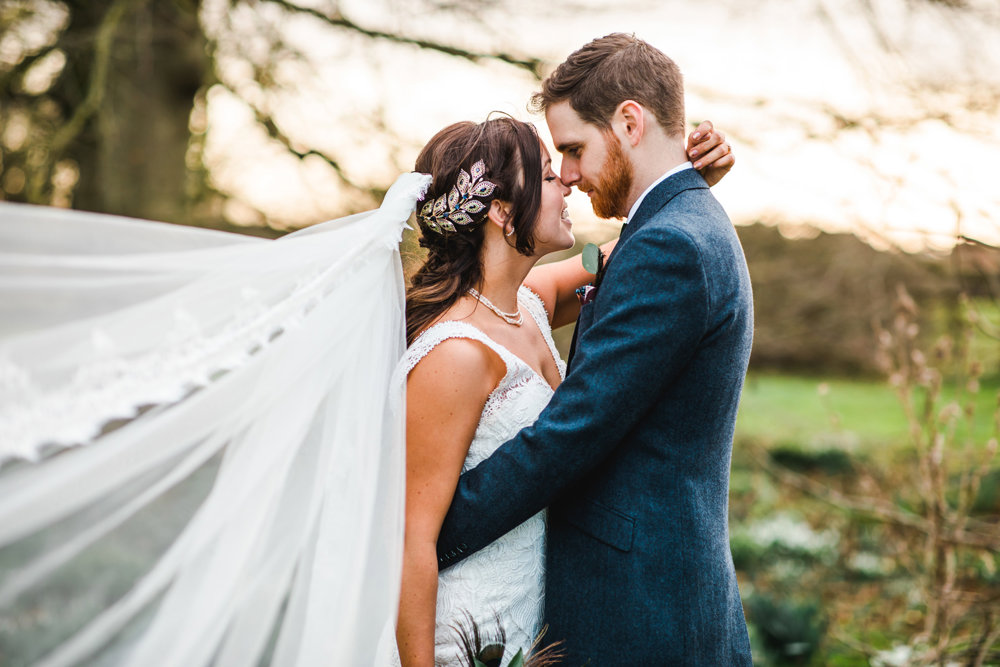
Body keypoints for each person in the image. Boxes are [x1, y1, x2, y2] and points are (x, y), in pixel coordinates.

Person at [432, 34, 754, 666]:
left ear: (630, 122)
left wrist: (422, 537)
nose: (570, 176)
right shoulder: (669, 232)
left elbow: (567, 436)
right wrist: (690, 182)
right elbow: (602, 267)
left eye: (574, 151)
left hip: (641, 613)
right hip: (648, 598)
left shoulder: (672, 246)